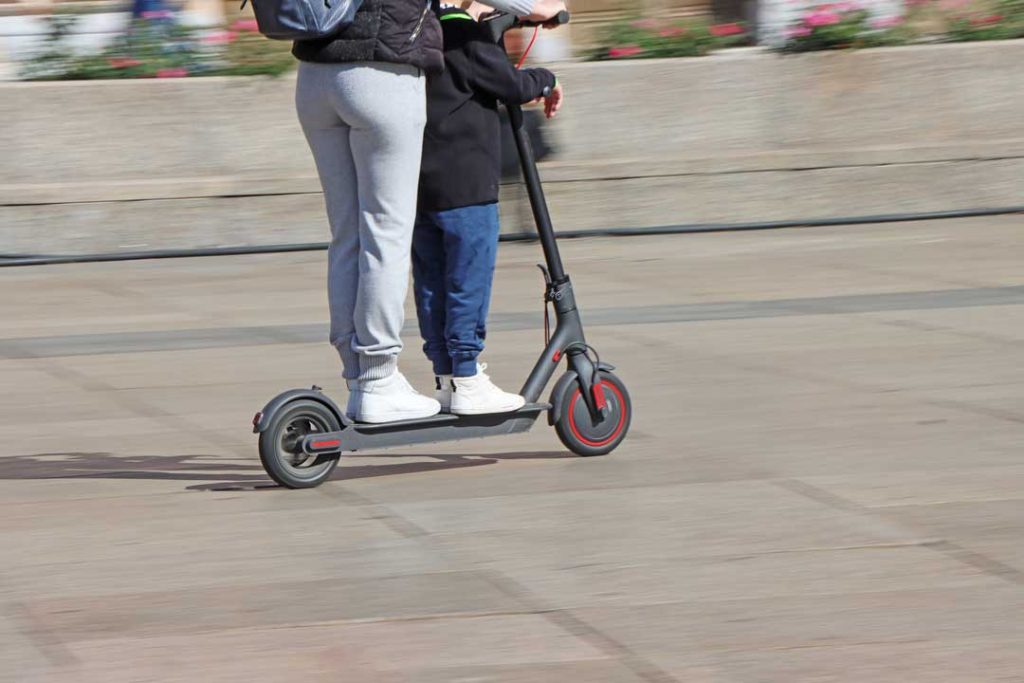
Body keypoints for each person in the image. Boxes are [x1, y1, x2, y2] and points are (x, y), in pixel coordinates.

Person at [292, 0, 565, 424]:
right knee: (386, 232)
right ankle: (382, 379)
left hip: (315, 74)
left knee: (349, 235)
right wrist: (539, 7)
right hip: (381, 71)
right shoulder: (467, 36)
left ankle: (360, 378)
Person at [412, 2, 562, 415]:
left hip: (420, 185)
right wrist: (547, 80)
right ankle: (467, 377)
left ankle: (445, 376)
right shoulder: (465, 36)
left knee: (431, 283)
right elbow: (513, 87)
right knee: (467, 281)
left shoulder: (417, 31)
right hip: (468, 186)